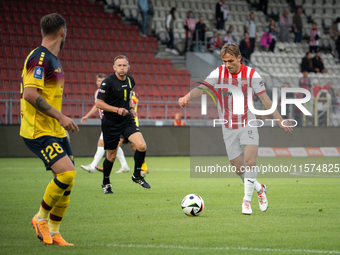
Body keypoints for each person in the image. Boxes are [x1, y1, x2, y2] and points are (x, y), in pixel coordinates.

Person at [178, 43, 293, 215]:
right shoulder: (218, 72)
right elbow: (202, 88)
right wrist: (188, 95)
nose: (227, 65)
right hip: (228, 126)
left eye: (230, 61)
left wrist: (280, 120)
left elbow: (265, 99)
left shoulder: (252, 75)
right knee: (238, 168)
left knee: (250, 161)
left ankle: (246, 201)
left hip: (248, 122)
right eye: (225, 61)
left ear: (239, 58)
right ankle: (260, 189)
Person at [20, 13, 78, 246]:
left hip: (55, 130)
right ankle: (40, 219)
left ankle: (54, 232)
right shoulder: (39, 58)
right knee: (67, 173)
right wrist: (61, 116)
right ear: (63, 32)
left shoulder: (53, 59)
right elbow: (30, 94)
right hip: (38, 129)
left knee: (67, 181)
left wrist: (59, 123)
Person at [96, 55, 151, 194]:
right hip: (111, 123)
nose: (122, 68)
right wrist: (117, 110)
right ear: (114, 67)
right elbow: (99, 103)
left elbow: (129, 96)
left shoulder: (130, 80)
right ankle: (106, 182)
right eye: (119, 65)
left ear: (128, 67)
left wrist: (131, 109)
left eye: (124, 65)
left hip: (126, 120)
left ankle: (137, 175)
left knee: (142, 146)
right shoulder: (108, 82)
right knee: (111, 156)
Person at [80, 73, 130, 174]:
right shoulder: (97, 92)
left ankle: (92, 166)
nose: (100, 82)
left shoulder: (110, 90)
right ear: (96, 82)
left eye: (102, 80)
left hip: (111, 121)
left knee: (102, 143)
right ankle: (124, 165)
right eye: (99, 81)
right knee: (113, 144)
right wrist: (87, 115)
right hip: (106, 121)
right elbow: (97, 105)